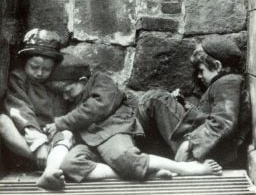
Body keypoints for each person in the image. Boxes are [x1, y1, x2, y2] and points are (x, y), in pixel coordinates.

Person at [44, 55, 222, 186]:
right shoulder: (70, 99)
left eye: (68, 90)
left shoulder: (100, 81)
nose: (65, 97)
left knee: (125, 159)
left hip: (111, 131)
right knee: (69, 166)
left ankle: (185, 168)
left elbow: (99, 105)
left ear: (82, 81)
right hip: (90, 141)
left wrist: (62, 123)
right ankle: (146, 173)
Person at [136, 35, 250, 167]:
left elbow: (224, 122)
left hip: (208, 152)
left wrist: (190, 143)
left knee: (154, 99)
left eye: (201, 70)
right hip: (206, 147)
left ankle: (132, 156)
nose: (199, 76)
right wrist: (183, 104)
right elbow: (209, 115)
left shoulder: (228, 82)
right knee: (157, 99)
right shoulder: (225, 83)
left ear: (218, 66)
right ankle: (141, 157)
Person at [0, 28, 74, 190]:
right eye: (34, 67)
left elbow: (61, 117)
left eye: (46, 69)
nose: (40, 73)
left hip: (52, 136)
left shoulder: (55, 83)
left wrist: (54, 135)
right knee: (2, 121)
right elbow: (20, 109)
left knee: (68, 133)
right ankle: (50, 163)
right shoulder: (18, 78)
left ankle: (52, 166)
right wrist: (39, 144)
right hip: (27, 139)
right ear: (25, 62)